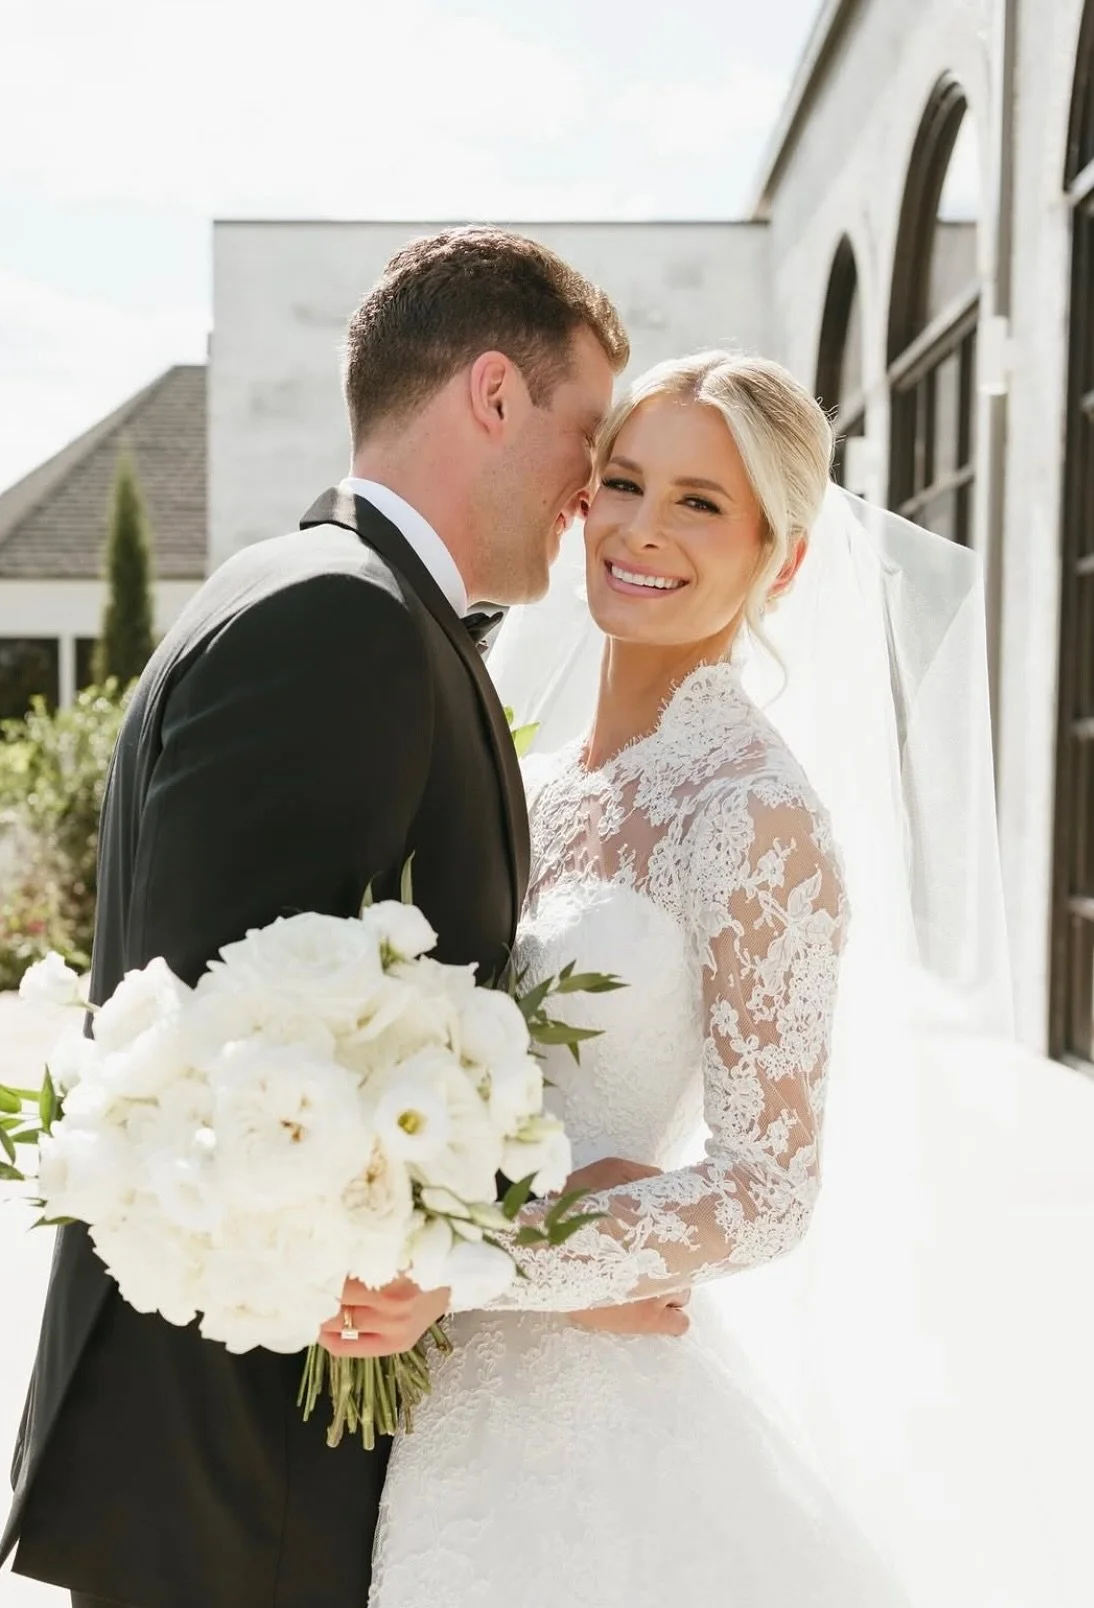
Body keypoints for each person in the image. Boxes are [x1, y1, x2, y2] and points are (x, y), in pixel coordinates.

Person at [0, 226, 690, 1608]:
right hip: (240, 1480)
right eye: (586, 433)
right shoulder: (340, 624)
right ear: (492, 395)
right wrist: (545, 1263)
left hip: (256, 1462)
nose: (594, 491)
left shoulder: (322, 598)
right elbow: (239, 1081)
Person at [368, 352, 913, 1606]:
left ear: (781, 559)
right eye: (624, 482)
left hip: (581, 1416)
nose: (643, 531)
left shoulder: (756, 814)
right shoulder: (539, 777)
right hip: (427, 1371)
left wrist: (478, 1266)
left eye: (702, 503)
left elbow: (770, 1186)